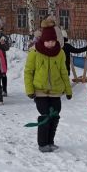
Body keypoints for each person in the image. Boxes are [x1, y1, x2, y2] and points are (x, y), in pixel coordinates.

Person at [24, 18, 72, 152]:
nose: (50, 44)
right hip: (40, 91)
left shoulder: (60, 53)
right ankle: (43, 144)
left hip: (56, 91)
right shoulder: (34, 53)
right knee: (45, 116)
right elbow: (28, 72)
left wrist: (68, 90)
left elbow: (64, 72)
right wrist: (29, 90)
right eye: (47, 41)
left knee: (55, 116)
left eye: (52, 41)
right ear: (42, 40)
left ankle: (50, 141)